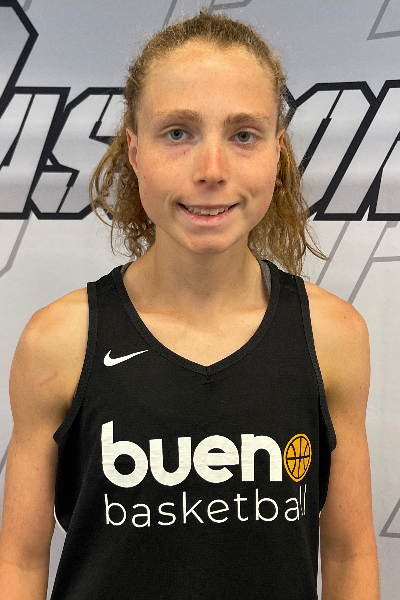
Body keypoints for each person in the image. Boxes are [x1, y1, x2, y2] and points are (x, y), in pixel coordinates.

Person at [0, 8, 380, 600]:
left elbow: (349, 555)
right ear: (134, 149)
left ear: (277, 151)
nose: (211, 170)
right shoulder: (58, 341)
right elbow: (21, 563)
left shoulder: (333, 335)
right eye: (178, 133)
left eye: (243, 135)